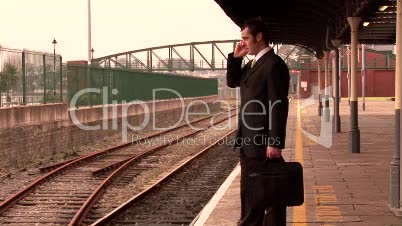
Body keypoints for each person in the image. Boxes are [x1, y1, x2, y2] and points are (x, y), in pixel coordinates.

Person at [226, 18, 290, 226]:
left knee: (257, 190)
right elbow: (233, 81)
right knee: (249, 188)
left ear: (259, 37)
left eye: (245, 38)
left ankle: (250, 223)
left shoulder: (273, 65)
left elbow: (278, 105)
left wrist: (275, 142)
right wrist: (235, 58)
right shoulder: (254, 64)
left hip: (262, 141)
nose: (243, 43)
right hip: (249, 139)